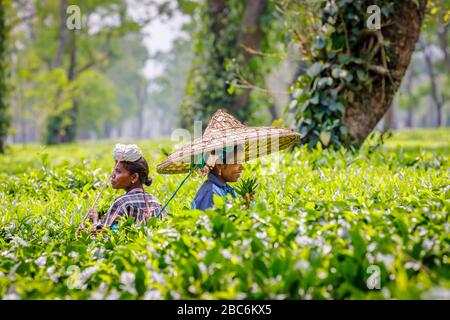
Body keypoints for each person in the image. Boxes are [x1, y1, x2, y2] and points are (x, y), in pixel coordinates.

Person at [88, 144, 166, 232]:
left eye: (117, 171)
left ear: (134, 177)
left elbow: (102, 234)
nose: (112, 175)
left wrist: (94, 220)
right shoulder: (156, 202)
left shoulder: (122, 202)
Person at [192, 145, 244, 211]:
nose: (242, 168)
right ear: (219, 165)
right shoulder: (210, 192)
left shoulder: (225, 189)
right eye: (237, 162)